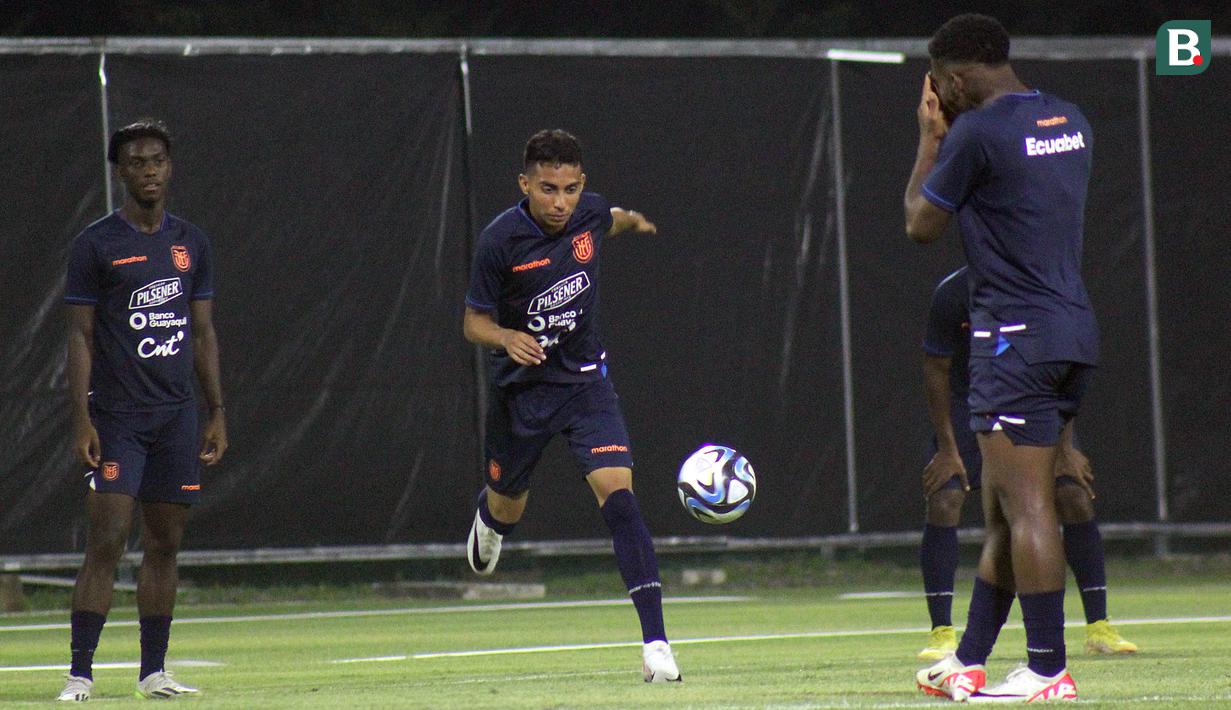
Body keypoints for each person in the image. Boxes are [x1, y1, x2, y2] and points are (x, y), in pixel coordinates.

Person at [905, 14, 1098, 702]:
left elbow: (918, 225)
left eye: (938, 86)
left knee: (1024, 512)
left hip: (1013, 338)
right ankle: (967, 659)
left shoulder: (976, 132)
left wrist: (932, 138)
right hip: (1071, 331)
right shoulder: (1067, 118)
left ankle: (1047, 668)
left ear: (954, 80)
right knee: (1005, 517)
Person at [462, 129, 680, 683]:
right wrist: (506, 337)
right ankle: (489, 521)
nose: (559, 202)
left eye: (569, 189)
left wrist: (638, 221)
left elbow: (617, 218)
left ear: (581, 184)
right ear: (525, 184)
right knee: (509, 505)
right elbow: (473, 323)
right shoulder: (499, 242)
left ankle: (657, 645)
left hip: (586, 387)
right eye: (547, 189)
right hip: (522, 394)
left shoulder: (590, 213)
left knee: (621, 499)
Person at [59, 119, 227, 702]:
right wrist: (82, 417)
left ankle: (153, 671)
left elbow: (202, 333)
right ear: (121, 171)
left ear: (169, 167)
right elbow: (79, 335)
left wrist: (216, 409)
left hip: (176, 416)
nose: (149, 170)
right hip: (118, 418)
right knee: (106, 539)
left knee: (165, 544)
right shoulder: (97, 244)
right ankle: (80, 672)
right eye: (136, 162)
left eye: (157, 160)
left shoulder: (191, 243)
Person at [917, 267, 1137, 662]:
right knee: (945, 497)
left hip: (1028, 400)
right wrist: (948, 449)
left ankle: (1099, 627)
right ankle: (941, 632)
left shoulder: (1047, 286)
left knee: (1072, 492)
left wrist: (1065, 446)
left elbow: (1064, 369)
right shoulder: (952, 295)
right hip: (970, 404)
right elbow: (936, 370)